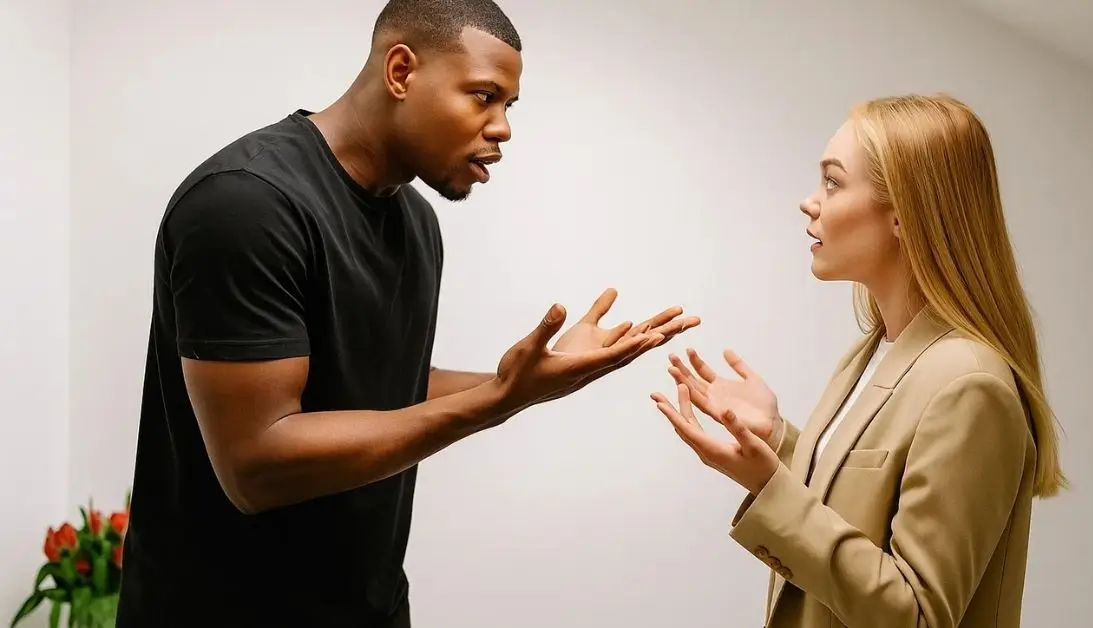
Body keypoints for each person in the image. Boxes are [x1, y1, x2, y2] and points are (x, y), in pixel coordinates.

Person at [116, 1, 699, 626]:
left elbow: (380, 388)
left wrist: (536, 378)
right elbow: (257, 468)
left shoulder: (415, 222)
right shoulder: (247, 205)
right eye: (483, 96)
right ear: (401, 72)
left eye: (508, 106)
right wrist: (498, 400)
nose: (502, 128)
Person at [651, 94, 1066, 628]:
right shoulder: (870, 353)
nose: (810, 202)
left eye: (832, 181)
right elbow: (864, 508)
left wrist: (768, 486)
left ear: (902, 215)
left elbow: (916, 616)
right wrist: (778, 440)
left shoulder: (969, 384)